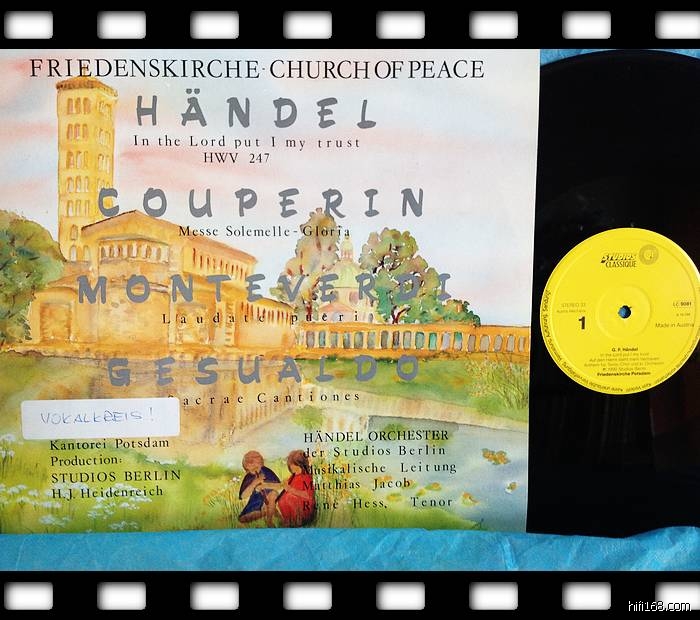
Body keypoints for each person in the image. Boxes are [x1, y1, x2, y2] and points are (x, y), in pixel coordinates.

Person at [261, 449, 315, 527]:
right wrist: (265, 485)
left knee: (289, 497)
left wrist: (290, 489)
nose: (290, 466)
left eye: (292, 464)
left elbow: (308, 496)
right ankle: (273, 522)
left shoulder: (306, 477)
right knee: (272, 496)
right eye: (290, 464)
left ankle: (292, 522)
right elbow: (280, 485)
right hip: (288, 510)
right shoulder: (293, 476)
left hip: (302, 511)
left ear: (300, 464)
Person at [238, 450, 280, 526]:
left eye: (257, 466)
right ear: (246, 467)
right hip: (256, 502)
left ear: (261, 464)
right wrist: (254, 483)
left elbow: (279, 486)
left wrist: (265, 485)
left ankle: (269, 520)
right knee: (242, 519)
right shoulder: (248, 477)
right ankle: (269, 511)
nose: (254, 467)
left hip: (270, 498)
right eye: (251, 465)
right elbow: (243, 496)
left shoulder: (266, 471)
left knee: (273, 494)